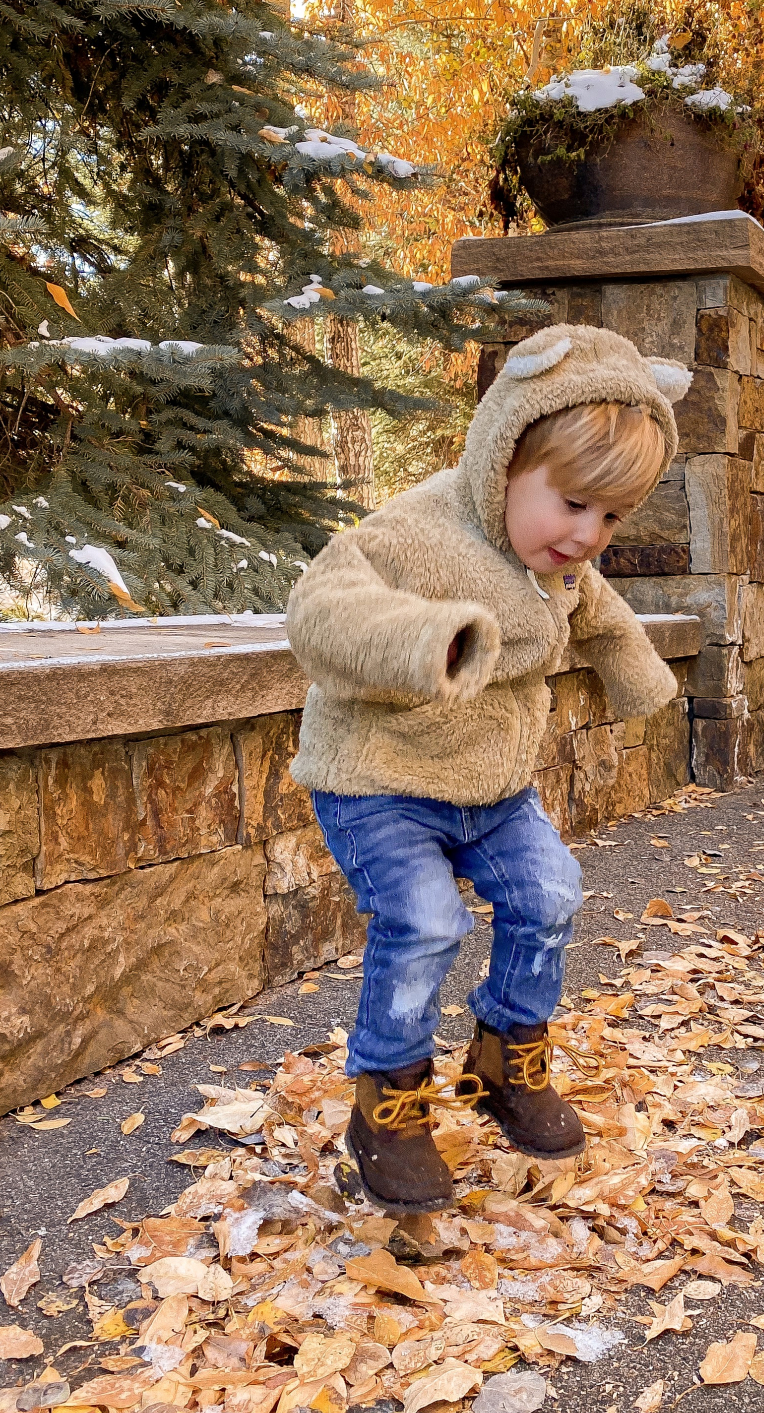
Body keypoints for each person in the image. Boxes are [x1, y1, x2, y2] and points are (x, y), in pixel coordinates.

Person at [287, 323, 691, 1213]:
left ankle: (505, 1054)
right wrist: (430, 638)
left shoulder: (556, 557)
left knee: (550, 894)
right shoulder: (417, 531)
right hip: (380, 777)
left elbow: (597, 605)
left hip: (493, 791)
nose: (589, 536)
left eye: (613, 517)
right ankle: (387, 1105)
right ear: (505, 458)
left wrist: (634, 668)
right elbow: (320, 609)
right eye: (576, 504)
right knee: (427, 922)